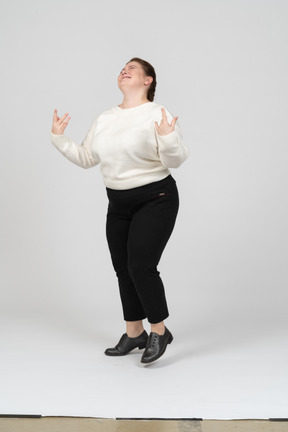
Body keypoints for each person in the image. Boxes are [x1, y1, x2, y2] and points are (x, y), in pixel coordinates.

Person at [50, 57, 189, 364]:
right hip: (118, 202)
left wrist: (167, 137)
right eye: (123, 68)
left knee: (141, 266)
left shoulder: (158, 113)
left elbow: (176, 159)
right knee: (123, 268)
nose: (124, 70)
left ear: (148, 81)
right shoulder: (105, 118)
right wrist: (60, 139)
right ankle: (134, 333)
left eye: (133, 69)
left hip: (157, 197)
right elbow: (87, 157)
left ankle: (159, 330)